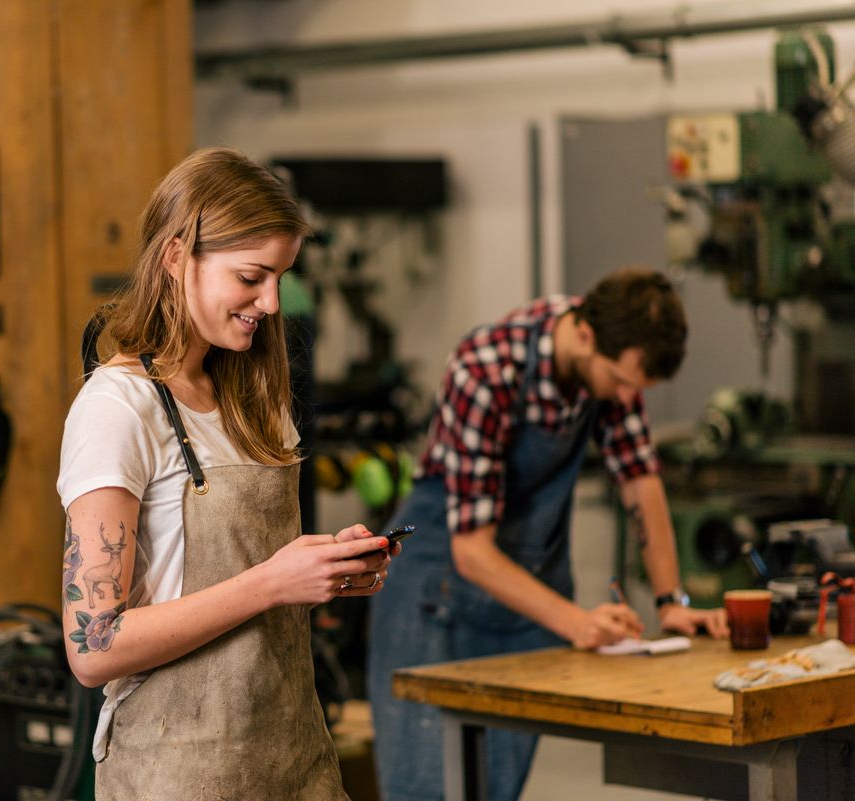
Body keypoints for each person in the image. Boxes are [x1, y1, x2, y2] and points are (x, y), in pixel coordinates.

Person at [58, 146, 395, 800]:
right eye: (251, 277)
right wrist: (273, 582)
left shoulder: (253, 397)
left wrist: (322, 570)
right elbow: (93, 644)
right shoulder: (116, 409)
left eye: (280, 277)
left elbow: (262, 571)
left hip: (293, 753)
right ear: (177, 257)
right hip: (180, 769)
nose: (271, 302)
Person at [367, 268, 730, 801]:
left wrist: (671, 602)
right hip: (438, 593)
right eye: (621, 381)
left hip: (526, 599)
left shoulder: (608, 357)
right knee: (428, 788)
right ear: (584, 335)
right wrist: (578, 621)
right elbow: (472, 552)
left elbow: (641, 485)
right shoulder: (487, 369)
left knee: (496, 790)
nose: (627, 396)